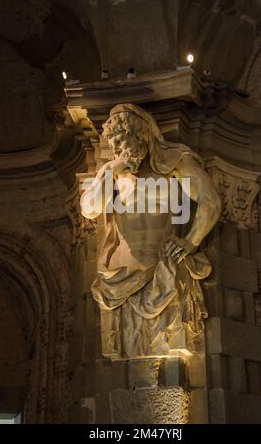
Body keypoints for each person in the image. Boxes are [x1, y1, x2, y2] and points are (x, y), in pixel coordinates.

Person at [81, 103, 221, 358]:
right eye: (112, 145)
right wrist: (111, 171)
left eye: (121, 142)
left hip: (163, 266)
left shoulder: (176, 162)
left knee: (171, 352)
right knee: (125, 355)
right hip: (120, 273)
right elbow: (89, 209)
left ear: (140, 135)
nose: (117, 150)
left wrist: (191, 241)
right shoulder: (111, 172)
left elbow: (210, 201)